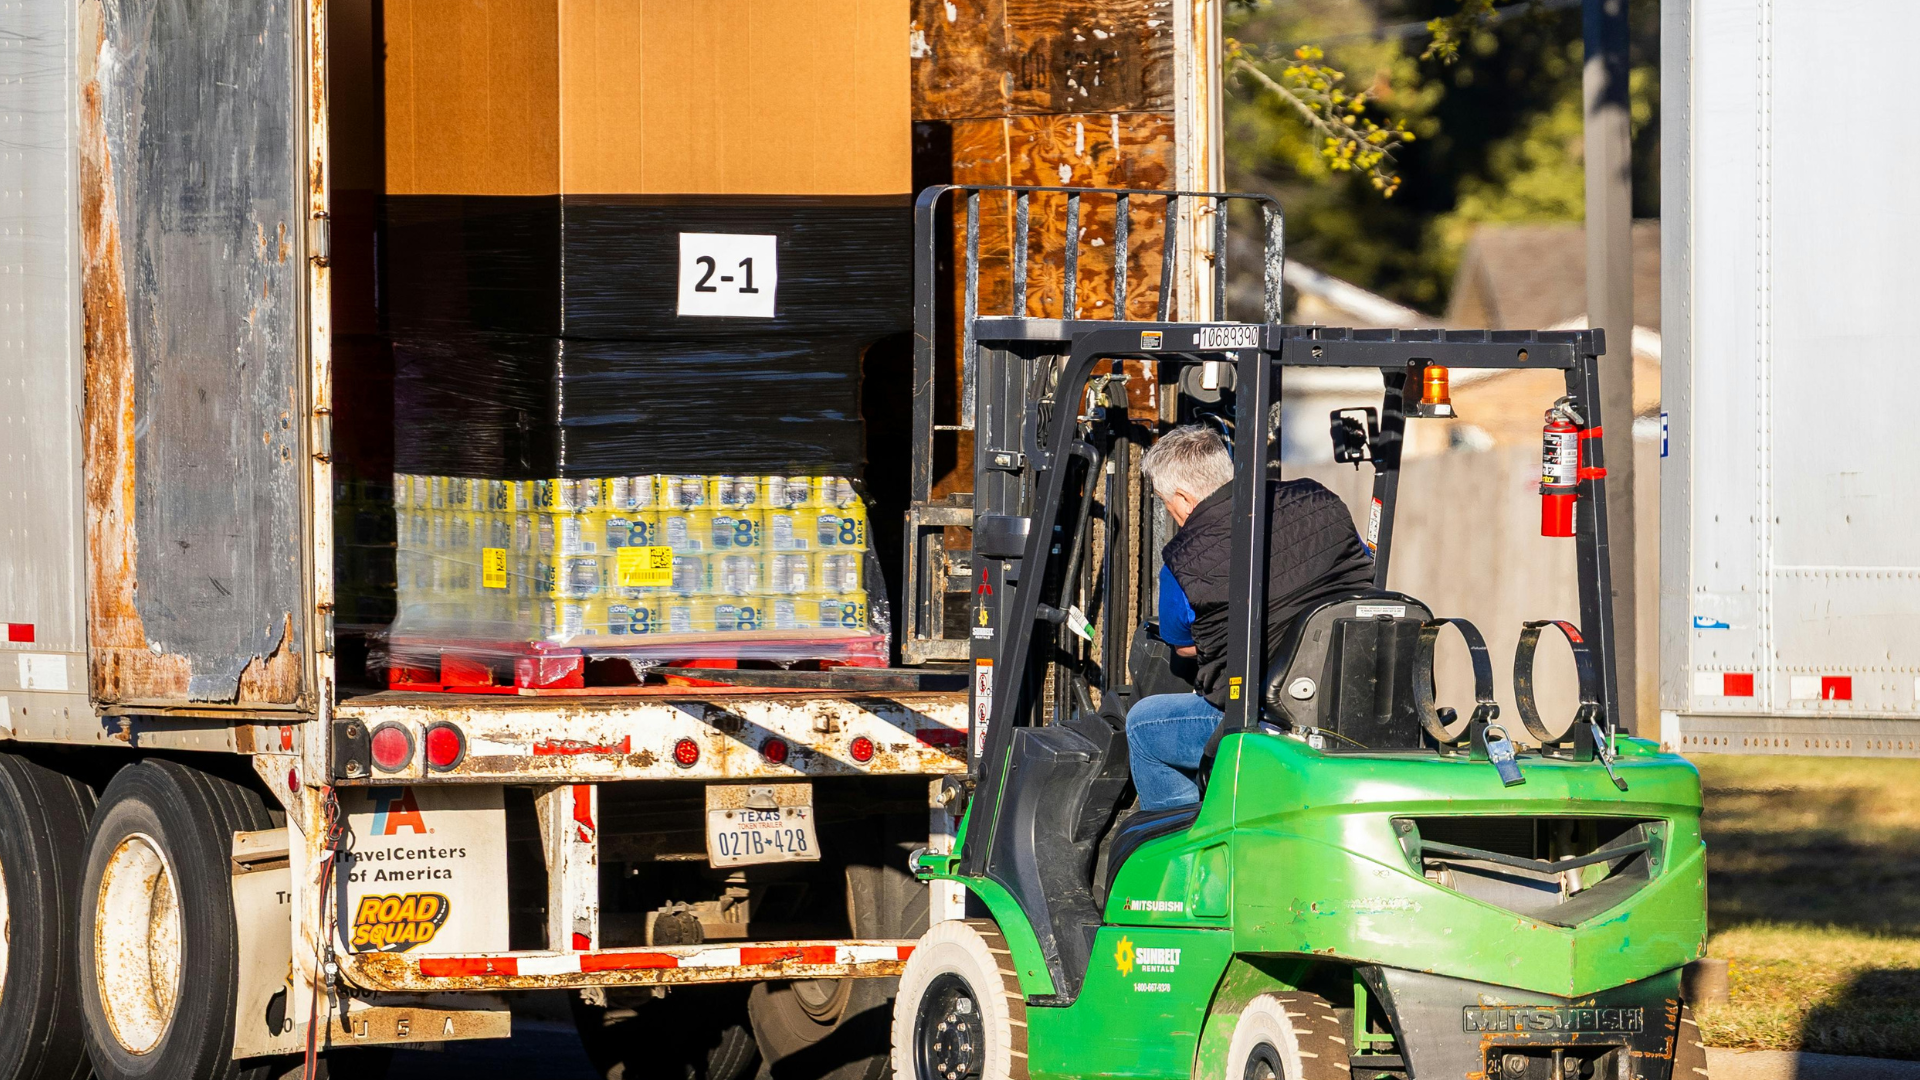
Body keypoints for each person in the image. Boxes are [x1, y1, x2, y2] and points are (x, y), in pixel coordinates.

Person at [1127, 425, 1375, 811]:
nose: (1171, 514)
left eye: (1165, 502)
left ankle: (1179, 844)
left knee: (1143, 725)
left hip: (1270, 710)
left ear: (1182, 497)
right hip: (1357, 687)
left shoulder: (1181, 561)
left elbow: (1184, 644)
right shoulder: (1318, 499)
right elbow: (1360, 567)